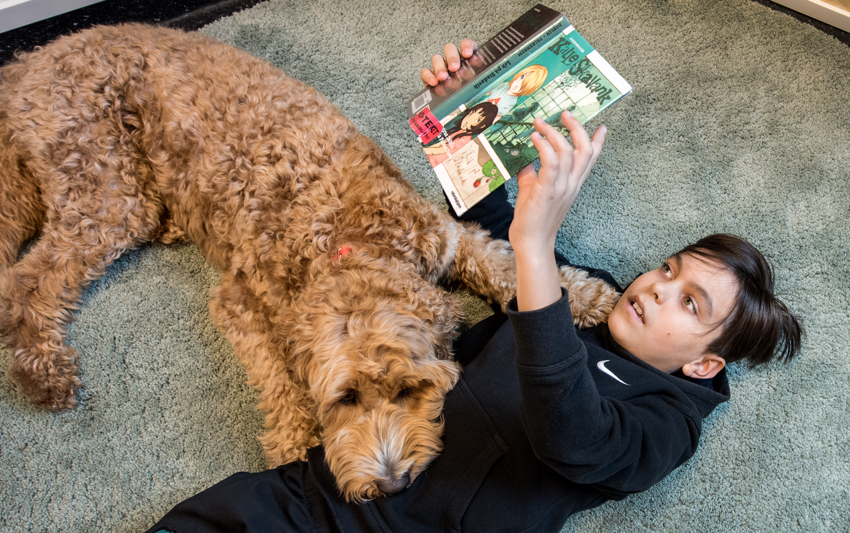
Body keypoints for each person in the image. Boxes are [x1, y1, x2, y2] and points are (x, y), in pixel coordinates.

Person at [145, 40, 802, 533]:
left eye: (689, 302)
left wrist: (537, 252)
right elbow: (486, 225)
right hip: (324, 488)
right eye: (667, 269)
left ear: (703, 361)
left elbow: (571, 435)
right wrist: (454, 117)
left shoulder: (664, 421)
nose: (658, 287)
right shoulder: (589, 296)